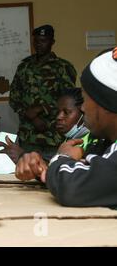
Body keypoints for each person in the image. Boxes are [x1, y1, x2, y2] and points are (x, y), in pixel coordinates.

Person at [15, 48, 117, 207]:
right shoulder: (101, 141)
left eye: (84, 100)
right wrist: (43, 168)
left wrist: (62, 158)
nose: (82, 108)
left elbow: (74, 187)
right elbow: (88, 174)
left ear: (105, 103)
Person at [9, 24, 77, 160]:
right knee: (25, 174)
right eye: (36, 41)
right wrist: (32, 116)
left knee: (54, 173)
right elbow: (14, 98)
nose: (39, 45)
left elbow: (70, 100)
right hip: (28, 136)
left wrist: (42, 109)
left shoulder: (63, 67)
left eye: (43, 41)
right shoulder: (24, 67)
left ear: (52, 42)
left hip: (54, 136)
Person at [0, 87, 110, 163]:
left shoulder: (88, 142)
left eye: (66, 112)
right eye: (58, 112)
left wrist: (22, 155)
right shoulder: (71, 138)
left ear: (83, 112)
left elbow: (63, 171)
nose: (59, 117)